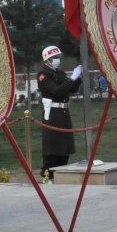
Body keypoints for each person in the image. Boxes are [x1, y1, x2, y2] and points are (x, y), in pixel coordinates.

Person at [35, 45, 83, 179]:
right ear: (47, 59)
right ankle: (47, 177)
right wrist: (72, 78)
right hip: (53, 114)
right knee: (53, 149)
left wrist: (78, 78)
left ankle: (60, 177)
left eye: (58, 57)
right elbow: (56, 90)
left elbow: (70, 89)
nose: (57, 60)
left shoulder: (60, 73)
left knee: (63, 149)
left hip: (63, 113)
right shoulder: (43, 75)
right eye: (54, 58)